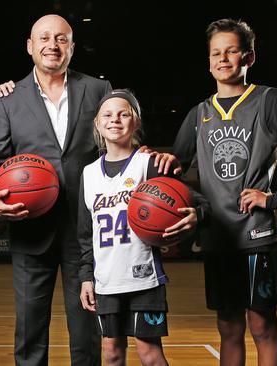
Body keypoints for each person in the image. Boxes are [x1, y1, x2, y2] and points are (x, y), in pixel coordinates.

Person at [0, 14, 179, 366]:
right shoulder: (9, 99)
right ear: (30, 46)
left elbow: (117, 144)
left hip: (87, 233)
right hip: (31, 228)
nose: (51, 45)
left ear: (71, 47)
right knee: (29, 329)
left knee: (87, 330)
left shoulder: (99, 90)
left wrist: (142, 155)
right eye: (43, 38)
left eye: (60, 38)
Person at [172, 19, 277, 366]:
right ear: (209, 60)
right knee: (228, 328)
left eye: (232, 51)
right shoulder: (199, 113)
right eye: (216, 52)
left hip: (256, 234)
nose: (223, 59)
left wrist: (275, 199)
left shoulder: (269, 101)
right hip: (217, 237)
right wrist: (149, 159)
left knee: (262, 326)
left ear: (249, 57)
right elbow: (174, 173)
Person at [78, 89, 202, 366]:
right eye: (107, 115)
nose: (115, 120)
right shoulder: (88, 174)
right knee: (111, 353)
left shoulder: (150, 164)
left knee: (149, 353)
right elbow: (85, 234)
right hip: (106, 279)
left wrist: (196, 215)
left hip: (143, 277)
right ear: (97, 123)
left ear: (135, 122)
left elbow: (195, 200)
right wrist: (87, 277)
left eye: (124, 114)